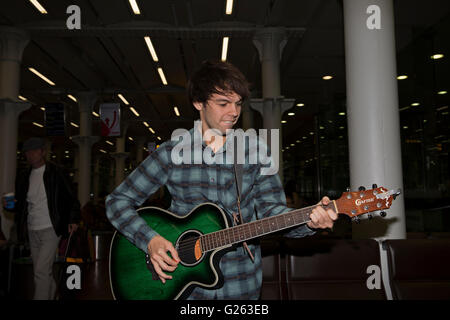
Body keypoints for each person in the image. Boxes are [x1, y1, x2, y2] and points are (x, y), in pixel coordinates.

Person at [105, 60, 337, 300]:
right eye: (223, 103)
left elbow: (271, 211)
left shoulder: (255, 152)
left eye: (238, 104)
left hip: (241, 285)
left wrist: (308, 222)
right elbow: (117, 202)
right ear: (198, 102)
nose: (234, 112)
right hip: (185, 290)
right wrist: (150, 240)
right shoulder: (170, 154)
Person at [2, 137, 81, 300]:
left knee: (40, 271)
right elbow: (21, 205)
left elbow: (71, 197)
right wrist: (8, 205)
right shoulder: (24, 176)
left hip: (51, 227)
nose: (30, 155)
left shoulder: (57, 172)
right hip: (32, 228)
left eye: (34, 151)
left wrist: (73, 219)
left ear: (43, 152)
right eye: (27, 152)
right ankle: (52, 295)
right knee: (42, 271)